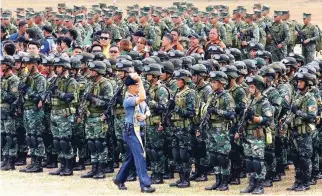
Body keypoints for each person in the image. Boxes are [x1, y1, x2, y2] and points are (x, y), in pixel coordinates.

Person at [113, 73, 156, 193]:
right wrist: (140, 81)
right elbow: (142, 98)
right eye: (136, 85)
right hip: (131, 131)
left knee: (132, 157)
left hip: (138, 130)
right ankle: (145, 184)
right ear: (130, 87)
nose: (139, 87)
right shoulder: (128, 99)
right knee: (140, 156)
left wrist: (145, 115)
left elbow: (147, 109)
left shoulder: (137, 97)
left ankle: (119, 179)